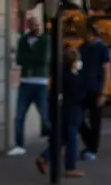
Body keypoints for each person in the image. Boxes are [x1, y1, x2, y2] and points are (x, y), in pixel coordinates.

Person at [35, 48, 86, 178]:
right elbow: (80, 95)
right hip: (72, 111)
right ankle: (70, 167)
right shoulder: (73, 77)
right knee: (72, 139)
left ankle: (45, 158)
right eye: (77, 60)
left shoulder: (59, 75)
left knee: (60, 139)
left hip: (60, 111)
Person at [8, 16, 50, 157]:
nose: (36, 27)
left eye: (38, 24)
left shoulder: (46, 40)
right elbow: (19, 59)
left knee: (45, 116)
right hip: (25, 82)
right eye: (33, 25)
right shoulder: (23, 40)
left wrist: (29, 58)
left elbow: (44, 60)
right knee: (19, 116)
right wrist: (32, 58)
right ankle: (19, 145)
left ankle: (54, 140)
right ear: (28, 26)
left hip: (40, 83)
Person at [77, 24, 111, 161]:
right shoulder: (82, 48)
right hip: (82, 89)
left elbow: (107, 70)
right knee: (78, 117)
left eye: (88, 33)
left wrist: (104, 92)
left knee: (95, 121)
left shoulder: (102, 49)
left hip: (96, 89)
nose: (86, 36)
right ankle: (89, 142)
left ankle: (93, 149)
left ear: (94, 34)